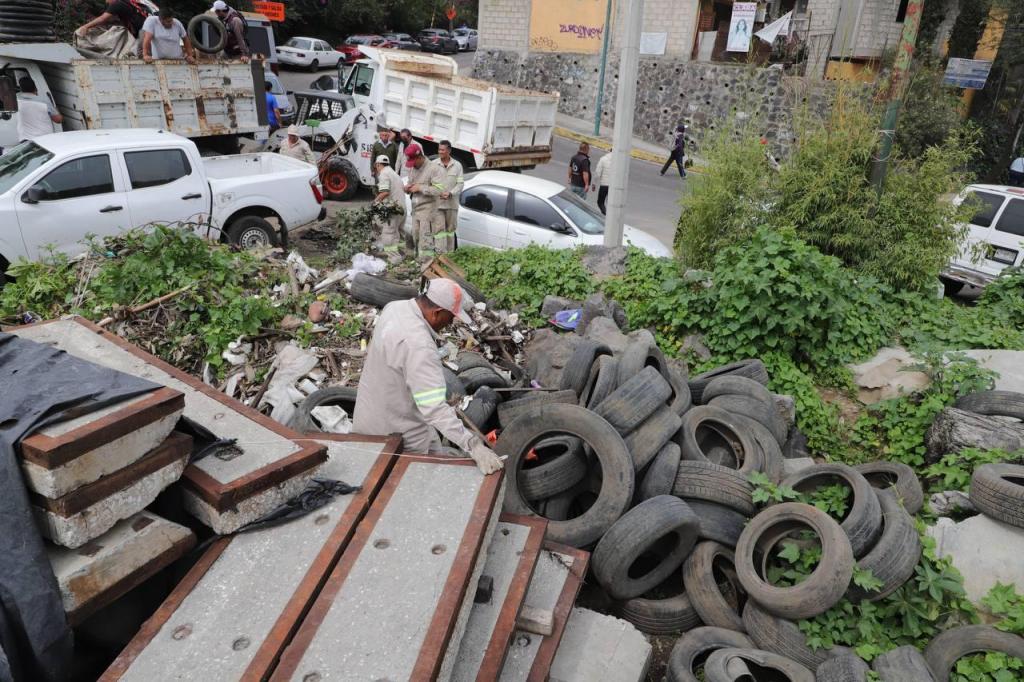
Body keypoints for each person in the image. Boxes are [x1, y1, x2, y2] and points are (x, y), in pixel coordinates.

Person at [353, 278, 503, 475]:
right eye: (451, 317)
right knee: (416, 481)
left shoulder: (394, 308)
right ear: (437, 313)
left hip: (368, 416)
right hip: (397, 434)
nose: (451, 323)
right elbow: (434, 409)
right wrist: (473, 445)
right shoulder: (419, 346)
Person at [405, 142, 447, 261]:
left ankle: (426, 264)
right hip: (415, 209)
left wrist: (421, 188)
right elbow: (411, 183)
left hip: (428, 212)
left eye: (414, 162)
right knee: (416, 236)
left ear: (419, 157)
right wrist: (407, 188)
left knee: (425, 240)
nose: (413, 165)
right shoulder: (413, 168)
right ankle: (419, 261)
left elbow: (439, 189)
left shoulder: (434, 169)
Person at [373, 154, 407, 262]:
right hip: (402, 209)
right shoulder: (394, 174)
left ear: (378, 165)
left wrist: (374, 203)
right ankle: (402, 254)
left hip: (393, 210)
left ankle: (394, 259)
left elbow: (385, 192)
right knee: (398, 233)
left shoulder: (384, 174)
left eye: (376, 166)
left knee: (388, 235)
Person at [434, 140, 464, 254]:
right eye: (439, 149)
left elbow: (460, 184)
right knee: (439, 231)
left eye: (442, 150)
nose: (440, 152)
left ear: (449, 150)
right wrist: (438, 193)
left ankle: (450, 255)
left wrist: (451, 193)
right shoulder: (433, 164)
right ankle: (440, 255)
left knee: (450, 231)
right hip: (437, 205)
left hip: (452, 205)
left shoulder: (457, 166)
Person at [75, 0, 152, 42]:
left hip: (145, 30)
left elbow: (103, 18)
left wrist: (85, 26)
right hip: (152, 27)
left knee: (141, 53)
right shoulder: (129, 2)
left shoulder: (117, 4)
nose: (106, 2)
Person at [16, 77, 60, 142]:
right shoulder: (44, 101)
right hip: (45, 140)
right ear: (35, 88)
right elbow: (58, 120)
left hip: (25, 141)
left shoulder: (16, 100)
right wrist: (55, 108)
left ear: (21, 89)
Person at [592, 148, 612, 215]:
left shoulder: (603, 159)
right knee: (611, 204)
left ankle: (605, 214)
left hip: (604, 184)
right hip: (614, 186)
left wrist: (594, 183)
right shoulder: (619, 161)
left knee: (600, 202)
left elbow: (598, 173)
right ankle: (610, 216)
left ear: (609, 151)